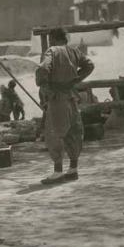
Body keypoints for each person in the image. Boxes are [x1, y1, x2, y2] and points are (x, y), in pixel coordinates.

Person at [36, 27, 94, 184]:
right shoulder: (74, 51)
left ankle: (58, 172)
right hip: (72, 97)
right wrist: (75, 80)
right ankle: (73, 169)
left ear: (52, 39)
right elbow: (89, 65)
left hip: (57, 98)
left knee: (54, 132)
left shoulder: (52, 51)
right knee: (73, 132)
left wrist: (45, 85)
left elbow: (43, 69)